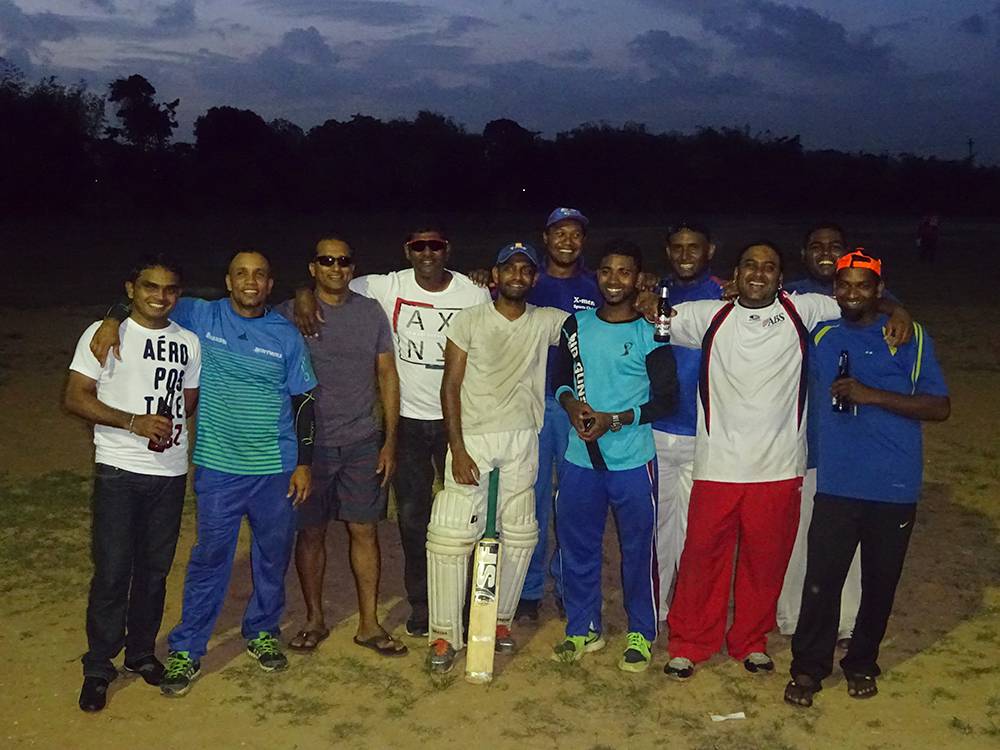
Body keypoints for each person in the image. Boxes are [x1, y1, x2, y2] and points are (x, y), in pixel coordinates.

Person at [658, 241, 912, 681]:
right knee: (702, 558)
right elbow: (654, 318)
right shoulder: (707, 315)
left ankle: (750, 641)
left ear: (781, 276)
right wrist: (648, 292)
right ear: (734, 274)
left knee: (765, 561)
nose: (759, 274)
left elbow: (858, 298)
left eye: (769, 267)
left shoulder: (804, 309)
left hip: (778, 469)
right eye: (750, 265)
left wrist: (897, 310)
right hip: (716, 465)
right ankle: (690, 643)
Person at [91, 250, 318, 697]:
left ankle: (262, 629)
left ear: (270, 285)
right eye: (241, 274)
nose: (250, 282)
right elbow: (147, 298)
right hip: (219, 467)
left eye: (259, 275)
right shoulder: (201, 314)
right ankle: (187, 648)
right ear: (228, 282)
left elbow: (304, 402)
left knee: (272, 557)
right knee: (210, 559)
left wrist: (304, 464)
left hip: (276, 468)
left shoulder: (287, 336)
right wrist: (112, 319)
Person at [294, 225, 489, 637]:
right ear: (407, 250)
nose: (427, 252)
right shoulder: (384, 286)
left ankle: (471, 604)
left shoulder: (474, 293)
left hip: (461, 420)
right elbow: (327, 282)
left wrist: (484, 275)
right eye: (419, 245)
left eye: (435, 245)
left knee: (468, 514)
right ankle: (422, 604)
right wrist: (302, 293)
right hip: (411, 422)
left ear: (447, 248)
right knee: (413, 518)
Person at [784, 250, 949, 708]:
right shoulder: (822, 334)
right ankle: (808, 668)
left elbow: (940, 406)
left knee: (880, 582)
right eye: (845, 285)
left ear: (879, 289)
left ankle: (861, 662)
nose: (852, 293)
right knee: (822, 579)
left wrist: (871, 395)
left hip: (893, 483)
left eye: (863, 285)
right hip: (837, 481)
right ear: (834, 290)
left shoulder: (907, 336)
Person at [67, 255, 201, 712]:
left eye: (169, 289)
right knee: (112, 570)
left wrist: (163, 431)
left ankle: (142, 652)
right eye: (150, 287)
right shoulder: (106, 332)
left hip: (169, 471)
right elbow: (75, 397)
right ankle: (99, 664)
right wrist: (130, 422)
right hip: (119, 470)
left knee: (154, 570)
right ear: (130, 289)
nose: (160, 296)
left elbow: (188, 401)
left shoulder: (189, 342)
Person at [426, 242, 568, 673]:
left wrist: (647, 296)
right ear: (495, 275)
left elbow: (600, 322)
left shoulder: (545, 321)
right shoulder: (469, 320)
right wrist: (457, 447)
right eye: (510, 269)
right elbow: (450, 386)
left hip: (522, 437)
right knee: (452, 533)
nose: (518, 277)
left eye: (526, 270)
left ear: (534, 278)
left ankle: (499, 622)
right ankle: (444, 635)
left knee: (519, 531)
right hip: (473, 437)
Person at [551, 241, 678, 672]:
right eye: (606, 271)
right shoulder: (576, 325)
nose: (614, 280)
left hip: (631, 461)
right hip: (580, 459)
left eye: (625, 272)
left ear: (638, 279)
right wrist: (573, 409)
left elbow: (667, 399)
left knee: (637, 549)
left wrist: (618, 419)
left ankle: (641, 630)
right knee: (578, 546)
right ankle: (583, 626)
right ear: (597, 275)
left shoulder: (650, 331)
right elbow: (560, 379)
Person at [277, 237, 405, 656]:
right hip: (309, 447)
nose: (336, 267)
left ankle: (369, 623)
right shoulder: (290, 314)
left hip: (361, 441)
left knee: (364, 531)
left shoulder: (369, 313)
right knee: (310, 533)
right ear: (312, 268)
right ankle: (314, 619)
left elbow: (386, 375)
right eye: (326, 260)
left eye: (344, 261)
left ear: (353, 267)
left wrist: (390, 440)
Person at [518, 207, 600, 623]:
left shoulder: (595, 284)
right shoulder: (528, 280)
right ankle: (529, 589)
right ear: (546, 238)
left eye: (575, 234)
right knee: (530, 501)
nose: (567, 240)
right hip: (532, 404)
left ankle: (569, 585)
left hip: (575, 407)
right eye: (559, 232)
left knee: (572, 501)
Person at [650, 221, 725, 620]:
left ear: (709, 249)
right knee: (659, 527)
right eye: (676, 247)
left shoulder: (727, 293)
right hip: (659, 430)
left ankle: (691, 611)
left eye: (693, 247)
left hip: (705, 435)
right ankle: (657, 609)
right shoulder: (654, 291)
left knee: (697, 533)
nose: (684, 254)